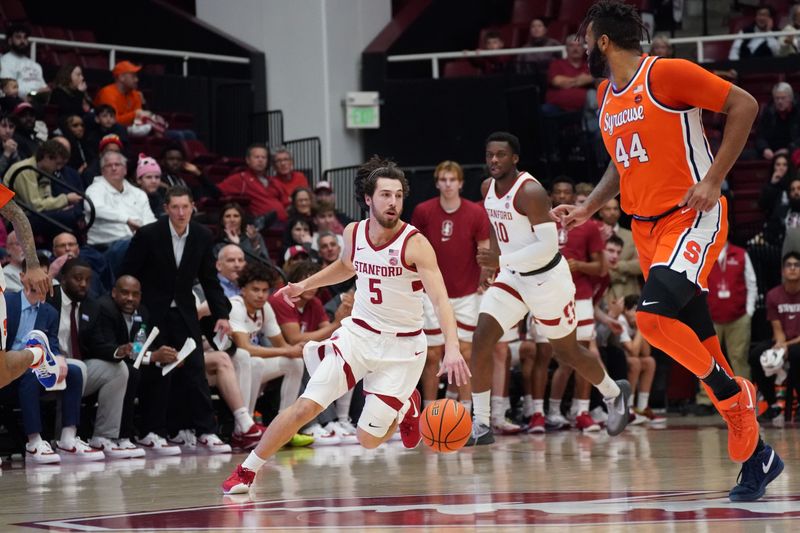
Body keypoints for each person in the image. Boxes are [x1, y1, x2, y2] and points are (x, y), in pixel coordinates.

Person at [555, 0, 782, 501]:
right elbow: (621, 165)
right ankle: (758, 459)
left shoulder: (668, 74)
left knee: (653, 320)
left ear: (605, 41)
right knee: (703, 346)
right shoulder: (605, 94)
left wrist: (713, 178)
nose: (582, 47)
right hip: (645, 228)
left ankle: (733, 393)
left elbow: (744, 104)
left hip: (692, 217)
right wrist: (588, 207)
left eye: (586, 39)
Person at [221, 156, 471, 494]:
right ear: (369, 199)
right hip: (358, 335)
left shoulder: (415, 244)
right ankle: (248, 470)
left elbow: (441, 299)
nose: (393, 202)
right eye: (385, 195)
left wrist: (452, 348)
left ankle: (406, 405)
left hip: (403, 347)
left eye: (398, 195)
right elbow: (346, 266)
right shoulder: (353, 232)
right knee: (306, 405)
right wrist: (304, 286)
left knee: (367, 439)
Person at [468, 131, 629, 446]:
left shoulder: (531, 191)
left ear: (515, 159)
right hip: (513, 276)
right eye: (489, 155)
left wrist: (500, 258)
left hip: (546, 280)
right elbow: (495, 223)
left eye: (500, 155)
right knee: (481, 338)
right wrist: (493, 264)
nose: (494, 160)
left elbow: (547, 246)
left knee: (566, 351)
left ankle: (613, 392)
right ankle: (482, 423)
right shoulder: (488, 187)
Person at [121, 186, 232, 453]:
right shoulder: (148, 234)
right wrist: (133, 312)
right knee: (152, 369)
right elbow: (128, 274)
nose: (181, 213)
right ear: (166, 209)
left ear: (193, 206)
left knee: (195, 369)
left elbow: (209, 280)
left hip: (183, 312)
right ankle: (151, 431)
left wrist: (223, 315)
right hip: (149, 313)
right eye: (175, 207)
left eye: (186, 207)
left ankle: (206, 430)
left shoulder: (203, 235)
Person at [410, 160, 489, 416]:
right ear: (436, 183)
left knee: (465, 352)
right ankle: (429, 414)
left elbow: (485, 251)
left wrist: (484, 280)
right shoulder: (423, 211)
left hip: (466, 294)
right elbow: (413, 249)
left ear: (461, 183)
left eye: (452, 180)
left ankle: (466, 414)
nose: (447, 184)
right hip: (431, 294)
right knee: (432, 355)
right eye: (443, 180)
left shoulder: (476, 213)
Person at [47, 258, 138, 458]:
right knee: (76, 368)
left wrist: (117, 351)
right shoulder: (50, 298)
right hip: (47, 365)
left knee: (119, 370)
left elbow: (96, 344)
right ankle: (62, 439)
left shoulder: (91, 306)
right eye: (78, 278)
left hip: (77, 367)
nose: (83, 284)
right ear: (63, 278)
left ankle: (104, 437)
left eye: (87, 280)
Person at [81, 274, 181, 455]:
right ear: (113, 292)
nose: (130, 298)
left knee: (161, 371)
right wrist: (151, 356)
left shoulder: (142, 312)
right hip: (104, 363)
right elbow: (107, 348)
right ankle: (122, 435)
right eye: (125, 293)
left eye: (135, 294)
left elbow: (141, 346)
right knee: (130, 373)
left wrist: (165, 357)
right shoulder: (104, 308)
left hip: (129, 362)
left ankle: (150, 432)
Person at [227, 262, 308, 449]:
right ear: (243, 290)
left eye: (265, 290)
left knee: (294, 362)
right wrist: (287, 350)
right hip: (225, 366)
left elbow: (282, 345)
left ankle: (286, 427)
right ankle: (244, 428)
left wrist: (295, 351)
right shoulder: (235, 306)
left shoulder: (265, 308)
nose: (261, 295)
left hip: (247, 365)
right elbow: (245, 347)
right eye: (255, 289)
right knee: (249, 358)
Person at [749, 252, 800, 424]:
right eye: (789, 265)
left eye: (796, 265)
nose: (792, 268)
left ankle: (797, 404)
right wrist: (779, 345)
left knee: (795, 354)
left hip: (797, 342)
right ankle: (772, 404)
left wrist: (786, 346)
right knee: (756, 354)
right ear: (782, 271)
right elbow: (777, 327)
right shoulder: (773, 295)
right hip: (784, 339)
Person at [84, 150, 156, 273]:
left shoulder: (138, 193)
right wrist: (126, 220)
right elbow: (94, 208)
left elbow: (150, 220)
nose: (113, 168)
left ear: (125, 169)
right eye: (109, 165)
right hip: (107, 247)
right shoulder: (94, 190)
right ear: (102, 171)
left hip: (139, 241)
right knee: (136, 247)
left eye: (117, 165)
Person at [3, 140, 84, 238]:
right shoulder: (24, 169)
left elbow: (46, 199)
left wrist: (60, 207)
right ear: (46, 157)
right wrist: (65, 199)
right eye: (57, 164)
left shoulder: (44, 171)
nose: (58, 168)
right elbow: (35, 206)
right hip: (15, 220)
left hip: (33, 215)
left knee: (71, 213)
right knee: (68, 217)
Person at [706, 241, 757, 379]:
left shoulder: (741, 254)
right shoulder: (705, 253)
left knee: (739, 357)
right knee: (707, 359)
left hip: (738, 317)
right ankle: (705, 398)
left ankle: (745, 395)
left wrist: (749, 312)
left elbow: (751, 283)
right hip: (711, 318)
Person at [218, 143, 285, 222]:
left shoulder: (274, 181)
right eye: (257, 157)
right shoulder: (241, 178)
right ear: (248, 160)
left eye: (264, 157)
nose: (260, 160)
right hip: (261, 225)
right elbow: (217, 191)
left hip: (284, 223)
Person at [598, 197, 641, 298]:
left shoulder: (631, 235)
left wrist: (618, 266)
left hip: (629, 293)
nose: (612, 212)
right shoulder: (594, 234)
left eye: (615, 209)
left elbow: (642, 264)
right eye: (608, 209)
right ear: (600, 212)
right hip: (602, 294)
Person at [0, 23, 50, 99]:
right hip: (17, 103)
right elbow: (9, 90)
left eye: (25, 37)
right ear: (10, 41)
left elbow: (45, 88)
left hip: (39, 101)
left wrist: (35, 94)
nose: (23, 41)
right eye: (18, 37)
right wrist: (32, 94)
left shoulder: (35, 65)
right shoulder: (4, 62)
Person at [93, 61, 147, 128]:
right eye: (133, 76)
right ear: (121, 77)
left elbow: (138, 120)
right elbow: (110, 121)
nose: (137, 80)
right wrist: (135, 114)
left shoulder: (135, 94)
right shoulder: (107, 93)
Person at [754, 82, 800, 161]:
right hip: (772, 152)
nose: (779, 101)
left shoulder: (798, 110)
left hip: (794, 150)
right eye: (777, 98)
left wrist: (789, 150)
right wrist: (765, 148)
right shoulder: (768, 112)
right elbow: (760, 136)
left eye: (783, 98)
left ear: (790, 98)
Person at [0, 112, 20, 178]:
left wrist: (14, 154)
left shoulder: (13, 143)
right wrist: (6, 153)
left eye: (11, 127)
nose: (8, 130)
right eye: (4, 126)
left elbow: (18, 173)